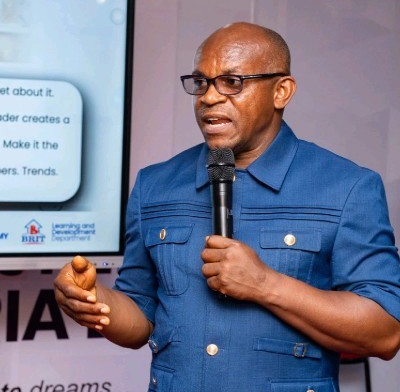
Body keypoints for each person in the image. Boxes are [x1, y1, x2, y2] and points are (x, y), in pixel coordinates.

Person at [54, 22, 400, 391]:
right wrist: (94, 301)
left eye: (231, 82)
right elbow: (140, 317)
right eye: (200, 82)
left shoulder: (347, 188)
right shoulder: (154, 185)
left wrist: (264, 284)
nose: (208, 97)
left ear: (281, 91)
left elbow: (385, 333)